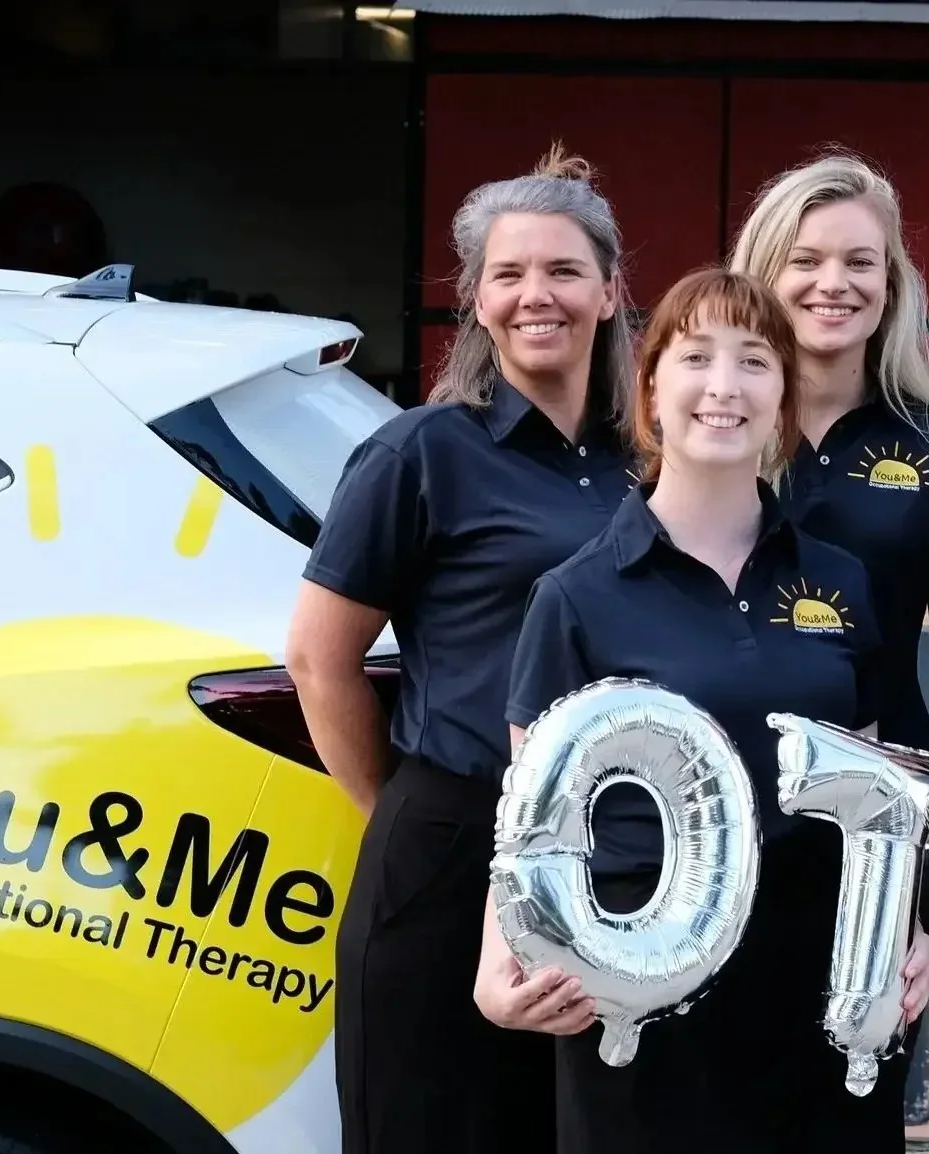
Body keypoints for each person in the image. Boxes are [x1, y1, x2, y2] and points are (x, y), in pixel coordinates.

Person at [476, 267, 929, 1154]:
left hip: (820, 986)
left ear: (784, 400)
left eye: (755, 361)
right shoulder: (575, 597)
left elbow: (876, 801)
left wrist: (904, 934)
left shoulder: (841, 582)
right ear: (651, 389)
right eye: (697, 358)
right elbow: (527, 825)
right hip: (641, 987)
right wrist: (498, 971)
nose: (724, 387)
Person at [285, 144, 636, 1154]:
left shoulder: (644, 462)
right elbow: (319, 656)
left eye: (565, 271)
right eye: (509, 273)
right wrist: (395, 810)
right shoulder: (421, 451)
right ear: (475, 300)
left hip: (606, 860)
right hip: (450, 846)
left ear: (610, 292)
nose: (539, 295)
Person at [729, 151, 929, 951]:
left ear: (892, 284)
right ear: (763, 275)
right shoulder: (704, 427)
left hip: (888, 804)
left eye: (860, 261)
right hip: (718, 794)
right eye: (804, 261)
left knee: (868, 1058)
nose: (833, 283)